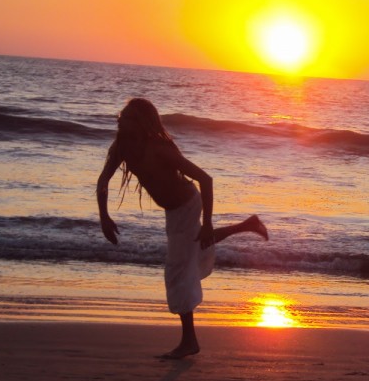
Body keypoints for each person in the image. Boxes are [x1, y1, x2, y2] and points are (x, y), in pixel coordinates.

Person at [96, 97, 268, 359]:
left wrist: (208, 222)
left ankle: (190, 342)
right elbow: (102, 182)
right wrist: (104, 217)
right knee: (195, 247)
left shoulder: (159, 149)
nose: (122, 122)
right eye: (122, 118)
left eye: (130, 118)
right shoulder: (121, 148)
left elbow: (205, 179)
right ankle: (248, 224)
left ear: (142, 122)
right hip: (174, 212)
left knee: (177, 271)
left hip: (187, 205)